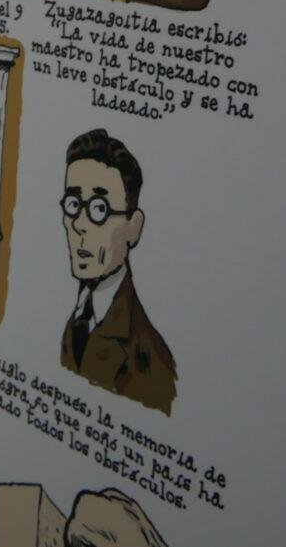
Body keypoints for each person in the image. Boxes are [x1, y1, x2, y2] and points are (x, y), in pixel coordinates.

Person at [60, 128, 176, 414]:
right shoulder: (79, 316)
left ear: (133, 228)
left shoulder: (148, 358)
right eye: (73, 205)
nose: (79, 224)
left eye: (99, 209)